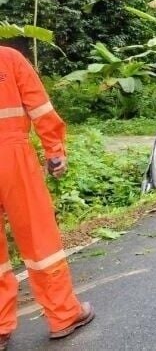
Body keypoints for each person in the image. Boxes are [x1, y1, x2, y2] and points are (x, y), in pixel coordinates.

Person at [0, 46, 94, 349]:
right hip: (11, 156)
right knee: (40, 242)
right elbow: (39, 107)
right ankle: (63, 314)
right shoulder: (9, 59)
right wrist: (54, 150)